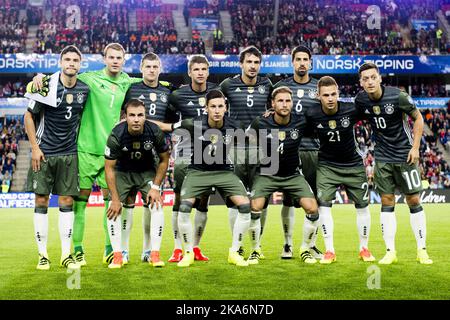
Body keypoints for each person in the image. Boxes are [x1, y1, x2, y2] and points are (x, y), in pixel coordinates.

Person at [30, 43, 141, 267]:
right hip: (84, 151)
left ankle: (109, 250)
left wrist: (164, 83)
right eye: (111, 57)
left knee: (111, 202)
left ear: (124, 60)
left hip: (111, 153)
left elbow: (146, 82)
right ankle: (77, 250)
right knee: (79, 202)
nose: (115, 61)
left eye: (119, 57)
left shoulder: (127, 81)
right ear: (104, 58)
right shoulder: (89, 79)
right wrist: (39, 76)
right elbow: (61, 76)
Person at [355, 62, 432, 265]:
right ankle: (390, 251)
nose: (370, 81)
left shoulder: (398, 96)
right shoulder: (361, 100)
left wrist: (415, 148)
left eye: (373, 77)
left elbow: (418, 118)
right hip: (382, 158)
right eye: (365, 79)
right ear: (361, 83)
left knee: (413, 200)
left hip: (404, 156)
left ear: (380, 78)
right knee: (387, 201)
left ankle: (421, 249)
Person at [24, 45, 89, 270]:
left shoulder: (85, 89)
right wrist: (34, 147)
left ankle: (65, 254)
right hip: (45, 153)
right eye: (67, 60)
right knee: (41, 200)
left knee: (67, 201)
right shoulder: (48, 86)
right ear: (61, 62)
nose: (71, 63)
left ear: (80, 65)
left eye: (75, 60)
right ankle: (43, 255)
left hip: (70, 154)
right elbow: (28, 116)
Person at [170, 89, 251, 267]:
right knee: (184, 208)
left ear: (225, 108)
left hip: (224, 172)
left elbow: (250, 137)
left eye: (220, 106)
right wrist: (145, 122)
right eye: (213, 106)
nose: (216, 110)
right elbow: (168, 128)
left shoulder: (235, 125)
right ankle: (189, 252)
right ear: (206, 108)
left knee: (245, 207)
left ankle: (235, 251)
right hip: (197, 172)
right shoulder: (193, 124)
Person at [152, 55, 217, 263]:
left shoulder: (217, 93)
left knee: (203, 200)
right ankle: (178, 248)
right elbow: (168, 124)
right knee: (180, 198)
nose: (200, 72)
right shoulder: (178, 95)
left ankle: (196, 247)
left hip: (210, 151)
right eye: (196, 69)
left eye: (203, 69)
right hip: (185, 151)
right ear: (189, 72)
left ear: (208, 71)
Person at [305, 76, 375, 264]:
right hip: (327, 166)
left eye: (333, 94)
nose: (330, 98)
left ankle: (364, 248)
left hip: (353, 165)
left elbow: (373, 112)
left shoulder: (351, 109)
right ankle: (330, 251)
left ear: (338, 94)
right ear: (318, 96)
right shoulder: (311, 114)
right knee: (324, 206)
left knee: (362, 207)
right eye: (325, 95)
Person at [248, 86, 320, 264]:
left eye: (288, 100)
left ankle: (304, 248)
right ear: (272, 104)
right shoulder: (261, 122)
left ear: (292, 103)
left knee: (312, 208)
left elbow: (319, 124)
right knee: (255, 207)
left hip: (292, 175)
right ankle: (255, 249)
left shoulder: (300, 122)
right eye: (280, 100)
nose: (284, 104)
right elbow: (247, 136)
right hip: (267, 173)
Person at [121, 52, 176, 264]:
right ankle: (123, 250)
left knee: (150, 203)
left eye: (155, 67)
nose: (152, 70)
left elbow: (174, 119)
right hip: (130, 151)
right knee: (127, 201)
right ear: (141, 68)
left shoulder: (167, 92)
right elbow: (123, 116)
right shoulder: (132, 89)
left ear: (159, 69)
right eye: (148, 66)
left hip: (155, 154)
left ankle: (147, 249)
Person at [220, 46, 272, 260]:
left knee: (262, 198)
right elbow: (214, 106)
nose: (252, 66)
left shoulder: (267, 84)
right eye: (249, 62)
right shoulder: (228, 85)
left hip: (263, 149)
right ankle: (238, 245)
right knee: (236, 200)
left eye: (256, 62)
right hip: (236, 149)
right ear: (240, 64)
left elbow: (278, 105)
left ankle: (257, 246)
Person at [104, 99, 170, 268]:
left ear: (145, 116)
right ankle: (118, 255)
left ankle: (154, 254)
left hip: (146, 171)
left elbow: (164, 160)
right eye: (131, 115)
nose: (136, 119)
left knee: (157, 205)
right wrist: (116, 199)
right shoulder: (116, 134)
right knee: (113, 207)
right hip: (122, 172)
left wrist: (155, 188)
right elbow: (109, 169)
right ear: (125, 117)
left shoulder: (154, 131)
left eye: (140, 115)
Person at [273, 45, 322, 260]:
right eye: (298, 59)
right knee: (287, 199)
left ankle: (310, 244)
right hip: (288, 148)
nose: (302, 62)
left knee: (315, 201)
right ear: (292, 62)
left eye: (305, 59)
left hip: (313, 148)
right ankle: (287, 244)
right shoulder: (282, 87)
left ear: (311, 63)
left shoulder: (318, 87)